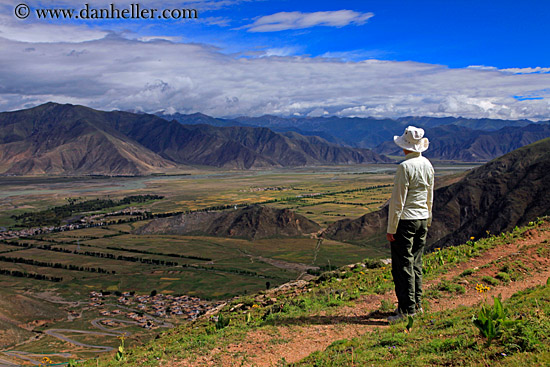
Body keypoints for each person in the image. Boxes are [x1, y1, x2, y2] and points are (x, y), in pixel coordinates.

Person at [386, 126, 434, 322]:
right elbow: (430, 195)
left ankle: (406, 310)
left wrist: (391, 228)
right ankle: (416, 305)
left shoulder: (404, 168)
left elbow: (398, 201)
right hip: (422, 218)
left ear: (406, 147)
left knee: (402, 265)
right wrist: (428, 218)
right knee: (416, 262)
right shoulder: (428, 165)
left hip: (406, 221)